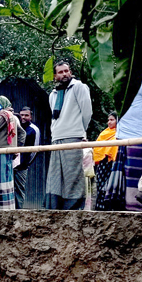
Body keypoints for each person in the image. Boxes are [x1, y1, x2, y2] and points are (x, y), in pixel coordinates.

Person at [105, 72, 142, 211]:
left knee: (140, 177)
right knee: (125, 177)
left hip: (141, 137)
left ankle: (137, 211)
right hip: (124, 139)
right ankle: (125, 210)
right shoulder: (124, 83)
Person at [45, 60, 92, 210]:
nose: (65, 74)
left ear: (70, 72)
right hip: (57, 138)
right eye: (61, 72)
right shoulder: (53, 94)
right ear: (55, 76)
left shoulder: (79, 87)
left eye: (67, 71)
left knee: (73, 175)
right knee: (55, 176)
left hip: (73, 136)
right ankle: (54, 207)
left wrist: (80, 131)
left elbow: (87, 112)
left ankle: (73, 208)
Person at [14, 107, 41, 208]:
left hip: (22, 166)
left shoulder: (34, 130)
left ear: (31, 116)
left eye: (26, 115)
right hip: (10, 164)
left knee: (19, 190)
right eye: (21, 115)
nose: (23, 117)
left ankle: (19, 212)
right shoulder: (16, 126)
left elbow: (35, 149)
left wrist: (25, 163)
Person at [92, 113, 118, 210]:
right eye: (109, 120)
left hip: (113, 162)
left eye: (112, 120)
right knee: (100, 184)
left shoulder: (119, 133)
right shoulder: (104, 133)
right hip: (102, 162)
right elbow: (97, 148)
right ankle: (99, 208)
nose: (109, 122)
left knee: (110, 185)